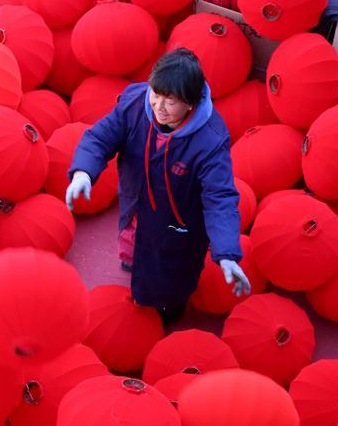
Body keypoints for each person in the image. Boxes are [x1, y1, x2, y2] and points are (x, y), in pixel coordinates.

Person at [66, 48, 251, 323]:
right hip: (136, 206)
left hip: (178, 226)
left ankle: (169, 311)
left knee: (172, 278)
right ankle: (135, 267)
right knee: (132, 247)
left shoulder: (210, 140)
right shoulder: (134, 104)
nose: (158, 107)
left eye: (170, 101)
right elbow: (101, 137)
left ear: (190, 104)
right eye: (156, 94)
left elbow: (219, 197)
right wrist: (84, 171)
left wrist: (226, 253)